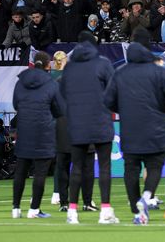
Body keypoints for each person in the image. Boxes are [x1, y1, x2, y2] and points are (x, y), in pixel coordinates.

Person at [104, 42, 165, 225]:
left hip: (130, 129)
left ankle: (136, 211)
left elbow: (108, 100)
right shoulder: (158, 72)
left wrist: (124, 109)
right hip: (156, 128)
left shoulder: (120, 73)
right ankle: (147, 196)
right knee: (155, 165)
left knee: (131, 169)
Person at [61, 32, 118, 225]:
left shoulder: (69, 67)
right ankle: (105, 211)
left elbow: (62, 94)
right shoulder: (103, 63)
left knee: (76, 166)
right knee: (104, 166)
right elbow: (113, 91)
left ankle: (72, 212)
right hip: (100, 120)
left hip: (77, 123)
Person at [11, 51, 62, 219]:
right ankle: (34, 209)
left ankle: (16, 208)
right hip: (43, 132)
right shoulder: (51, 83)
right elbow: (59, 109)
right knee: (40, 173)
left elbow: (16, 104)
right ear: (48, 65)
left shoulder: (21, 82)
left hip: (24, 129)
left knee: (21, 171)